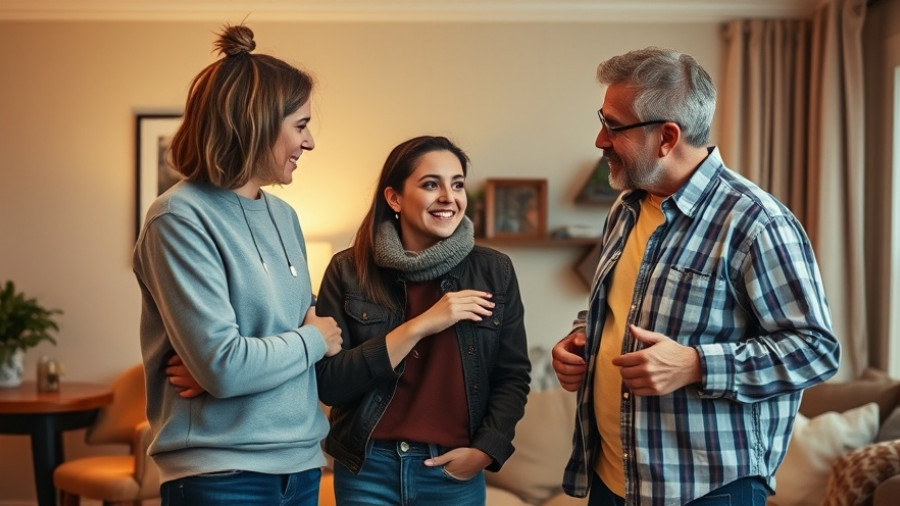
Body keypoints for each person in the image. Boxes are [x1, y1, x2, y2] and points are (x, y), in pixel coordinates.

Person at [551, 47, 841, 506]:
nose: (600, 140)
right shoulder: (625, 209)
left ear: (667, 137)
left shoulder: (756, 222)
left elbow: (815, 351)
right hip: (611, 479)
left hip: (707, 490)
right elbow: (619, 305)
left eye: (614, 126)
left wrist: (695, 365)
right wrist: (581, 338)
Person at [132, 24, 342, 506]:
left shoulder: (284, 216)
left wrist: (245, 361)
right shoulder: (179, 217)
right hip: (220, 475)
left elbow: (298, 328)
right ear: (258, 123)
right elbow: (226, 367)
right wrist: (312, 340)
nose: (309, 142)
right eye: (301, 125)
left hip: (301, 466)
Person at [314, 135, 531, 505]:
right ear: (394, 198)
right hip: (367, 470)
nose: (449, 197)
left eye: (457, 184)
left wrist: (486, 450)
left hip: (451, 473)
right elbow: (330, 385)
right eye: (431, 184)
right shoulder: (348, 270)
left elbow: (512, 376)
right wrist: (421, 325)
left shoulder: (494, 271)